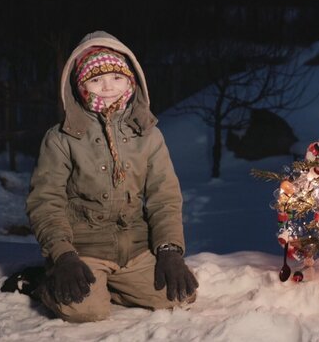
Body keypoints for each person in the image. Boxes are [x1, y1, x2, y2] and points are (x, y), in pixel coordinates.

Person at [26, 31, 198, 322]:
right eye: (96, 79)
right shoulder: (60, 138)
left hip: (135, 248)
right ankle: (46, 282)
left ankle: (110, 285)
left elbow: (164, 196)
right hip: (82, 250)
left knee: (179, 297)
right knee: (86, 311)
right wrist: (63, 255)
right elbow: (45, 202)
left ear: (130, 80)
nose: (108, 87)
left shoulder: (149, 134)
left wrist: (169, 250)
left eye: (116, 77)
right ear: (81, 86)